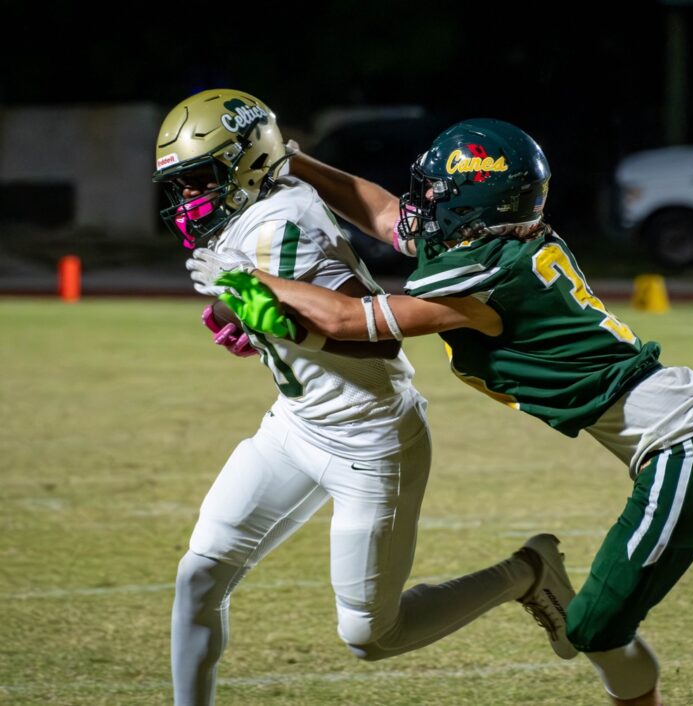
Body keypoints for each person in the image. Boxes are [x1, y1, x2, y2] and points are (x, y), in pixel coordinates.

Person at [191, 118, 693, 706]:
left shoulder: (482, 275)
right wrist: (298, 161)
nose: (419, 205)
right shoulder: (504, 240)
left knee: (592, 625)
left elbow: (350, 321)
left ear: (474, 205)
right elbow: (378, 211)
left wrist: (248, 280)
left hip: (686, 448)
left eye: (435, 195)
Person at [153, 93, 580, 706]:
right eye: (181, 182)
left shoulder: (281, 225)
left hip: (370, 439)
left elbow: (370, 342)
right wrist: (249, 317)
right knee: (199, 575)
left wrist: (264, 313)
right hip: (297, 425)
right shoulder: (260, 210)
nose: (188, 197)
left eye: (198, 178)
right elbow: (377, 221)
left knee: (371, 636)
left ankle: (527, 572)